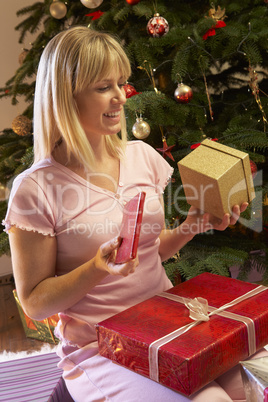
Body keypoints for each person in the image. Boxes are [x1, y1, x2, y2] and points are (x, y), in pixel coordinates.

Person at [3, 26, 267, 402]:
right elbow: (34, 301)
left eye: (122, 83)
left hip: (168, 324)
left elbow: (148, 252)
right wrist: (97, 266)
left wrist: (195, 224)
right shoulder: (36, 189)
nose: (121, 97)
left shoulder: (141, 157)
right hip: (102, 345)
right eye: (103, 87)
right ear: (65, 96)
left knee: (255, 384)